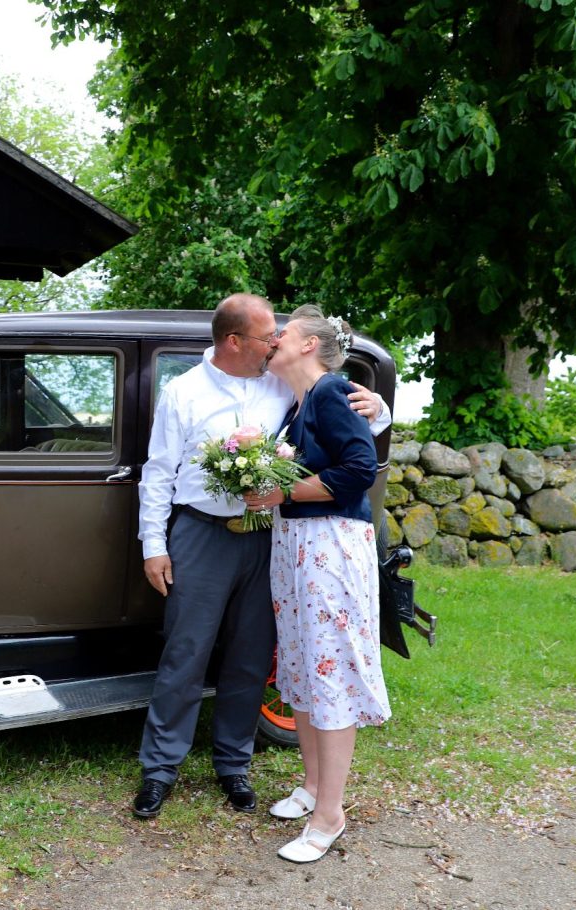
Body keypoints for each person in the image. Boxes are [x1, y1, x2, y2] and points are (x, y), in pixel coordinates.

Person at [133, 294, 390, 819]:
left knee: (252, 656)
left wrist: (378, 409)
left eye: (279, 334)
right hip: (200, 532)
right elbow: (158, 472)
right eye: (266, 335)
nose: (275, 341)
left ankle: (234, 765)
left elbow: (340, 425)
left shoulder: (281, 383)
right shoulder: (184, 391)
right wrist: (153, 545)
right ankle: (159, 770)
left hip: (269, 537)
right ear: (233, 341)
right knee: (185, 652)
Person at [242, 305, 391, 863]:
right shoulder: (298, 404)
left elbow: (359, 469)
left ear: (309, 345)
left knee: (329, 673)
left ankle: (330, 814)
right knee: (304, 666)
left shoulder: (330, 392)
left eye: (284, 334)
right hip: (296, 547)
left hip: (330, 547)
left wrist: (281, 493)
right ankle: (311, 785)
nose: (274, 340)